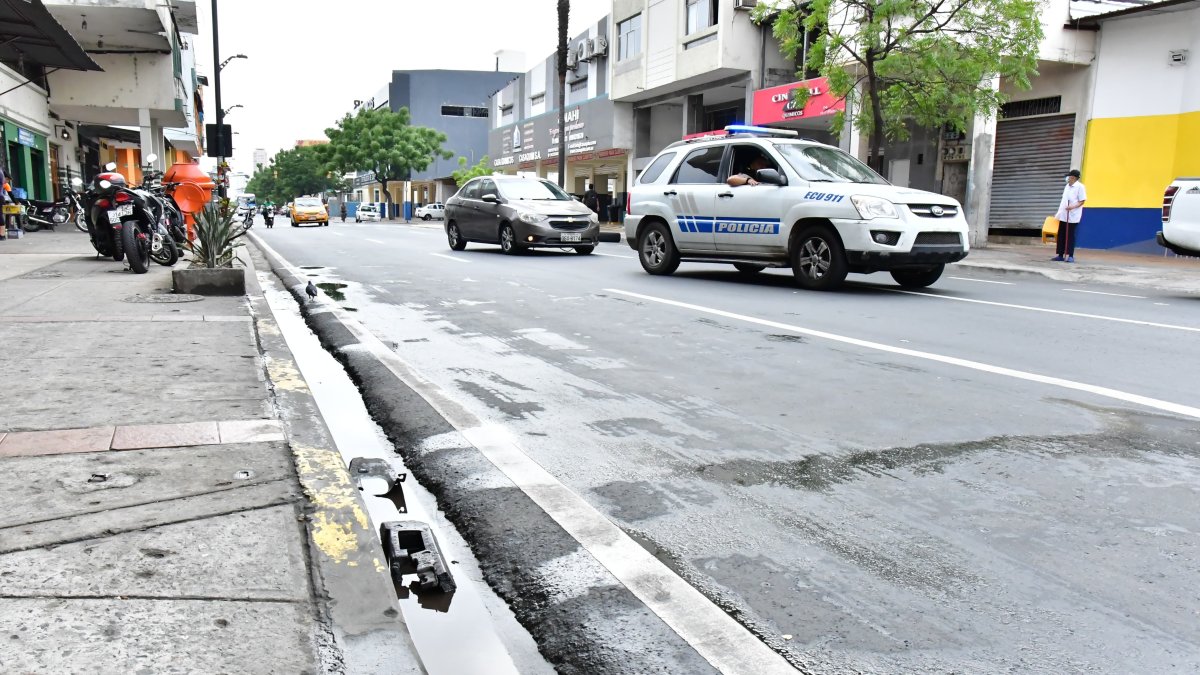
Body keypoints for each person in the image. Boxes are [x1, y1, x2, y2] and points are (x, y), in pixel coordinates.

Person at [1053, 169, 1087, 263]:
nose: (1067, 178)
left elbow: (1082, 201)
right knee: (1061, 235)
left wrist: (1072, 207)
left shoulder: (1080, 187)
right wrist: (1059, 212)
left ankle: (1070, 255)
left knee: (1070, 236)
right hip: (1064, 215)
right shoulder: (1067, 186)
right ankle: (1060, 255)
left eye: (1069, 176)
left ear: (1074, 177)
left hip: (1072, 216)